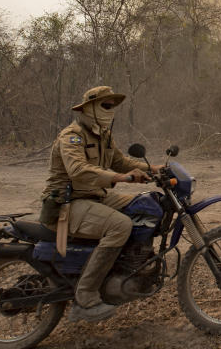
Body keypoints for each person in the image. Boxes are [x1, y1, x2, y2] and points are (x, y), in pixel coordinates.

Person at [40, 85, 160, 322]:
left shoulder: (103, 135)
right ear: (90, 108)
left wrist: (155, 169)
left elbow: (121, 162)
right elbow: (78, 170)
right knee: (120, 226)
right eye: (106, 105)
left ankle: (128, 267)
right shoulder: (71, 136)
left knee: (148, 204)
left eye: (112, 106)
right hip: (68, 202)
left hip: (96, 195)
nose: (110, 110)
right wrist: (119, 178)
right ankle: (85, 296)